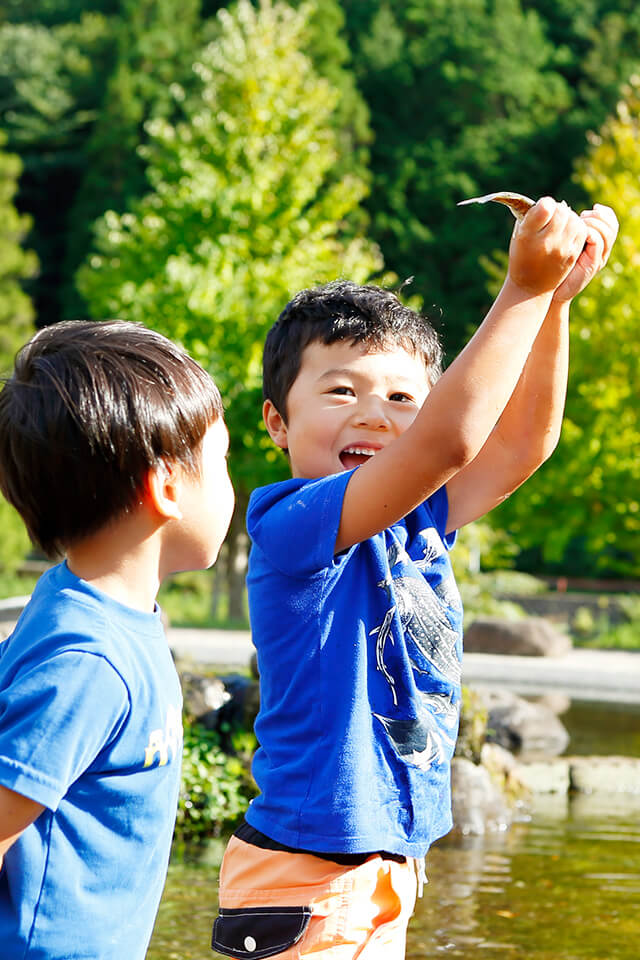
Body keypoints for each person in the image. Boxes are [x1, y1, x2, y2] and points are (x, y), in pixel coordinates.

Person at [211, 198, 618, 960]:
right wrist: (520, 289)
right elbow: (452, 440)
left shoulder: (418, 519)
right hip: (305, 878)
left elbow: (520, 443)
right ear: (275, 423)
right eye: (340, 391)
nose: (374, 414)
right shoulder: (292, 522)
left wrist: (554, 302)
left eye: (403, 398)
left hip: (384, 869)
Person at [0, 320, 234, 960]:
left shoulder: (103, 611)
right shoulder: (88, 659)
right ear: (164, 488)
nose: (230, 485)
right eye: (221, 460)